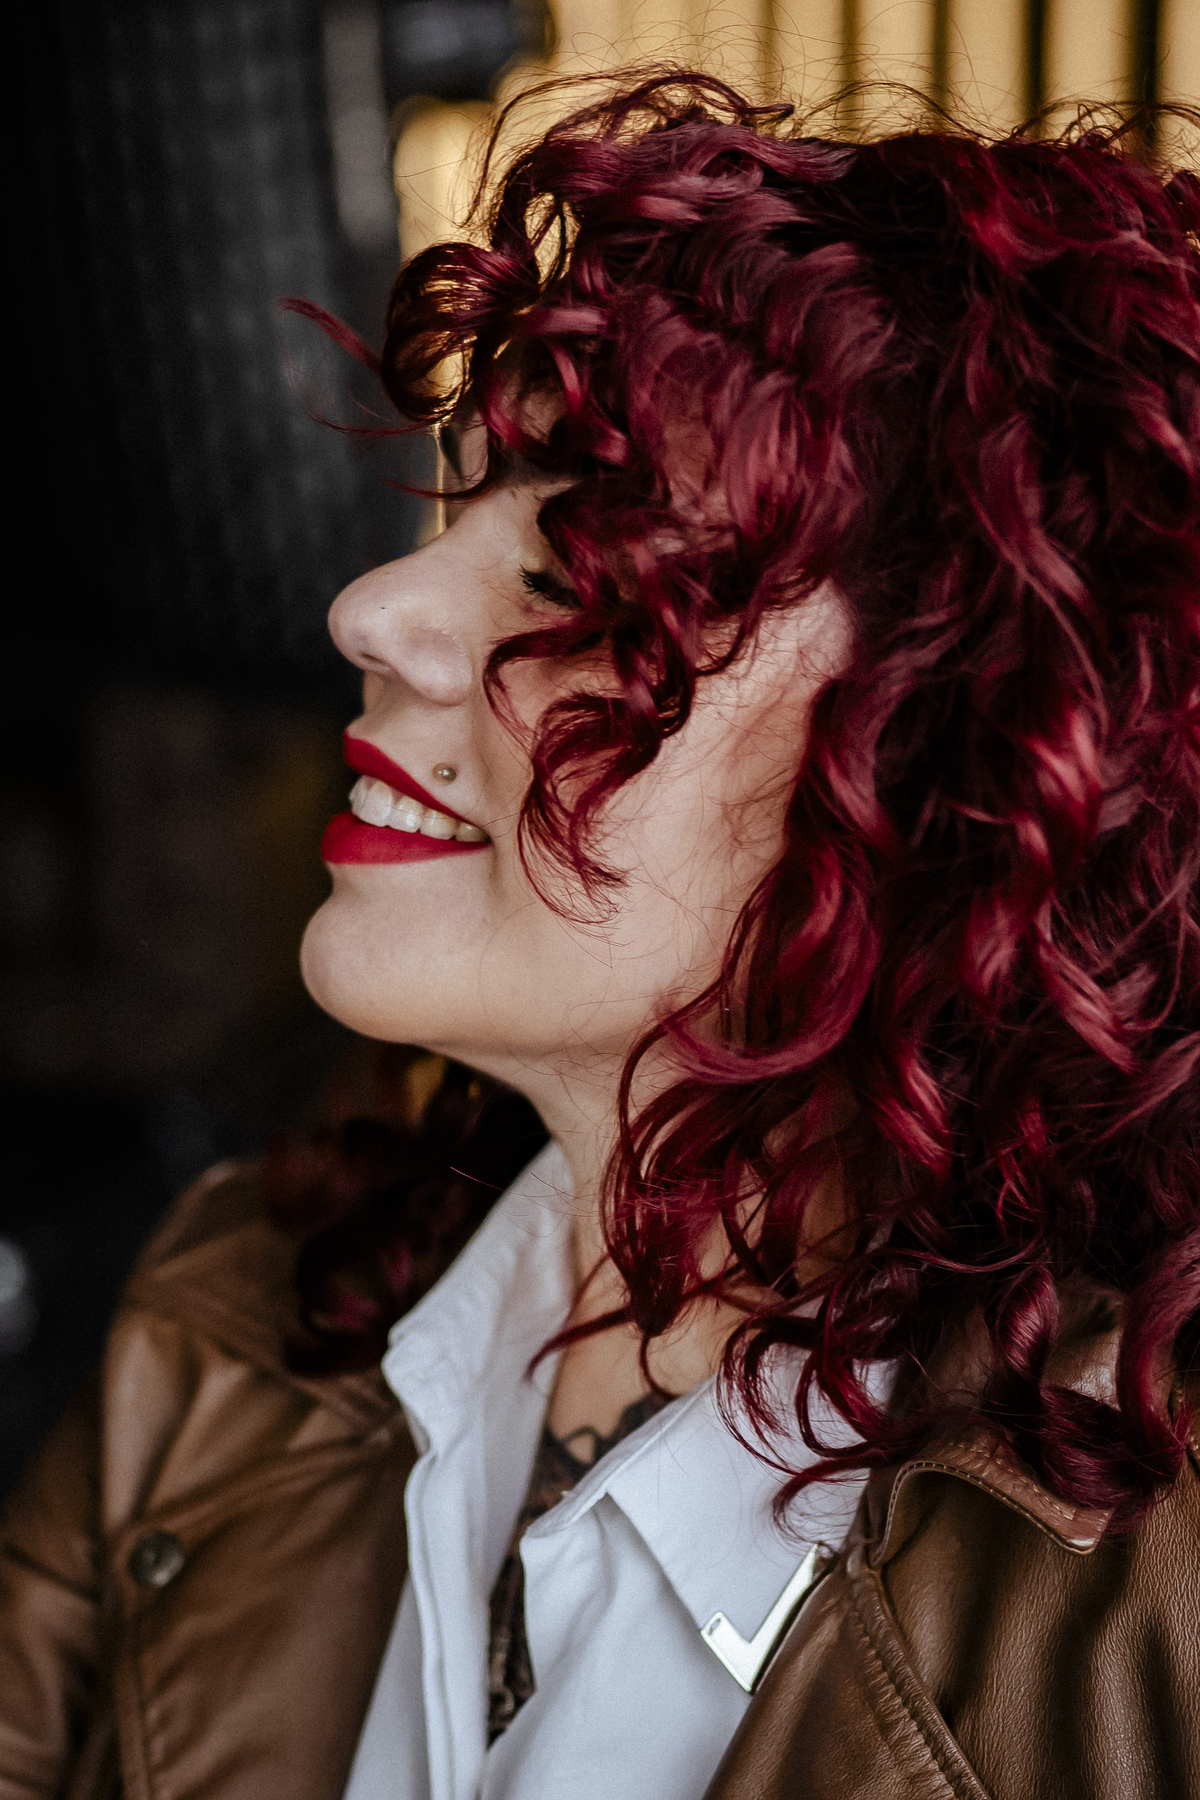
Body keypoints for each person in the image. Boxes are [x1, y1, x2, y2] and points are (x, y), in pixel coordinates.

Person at [2, 70, 1198, 1800]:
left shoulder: (1153, 1621)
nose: (375, 609)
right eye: (460, 505)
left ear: (966, 768)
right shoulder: (231, 1324)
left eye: (586, 573)